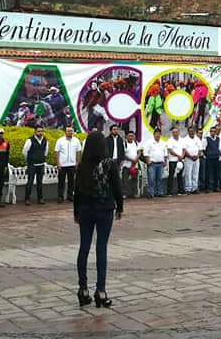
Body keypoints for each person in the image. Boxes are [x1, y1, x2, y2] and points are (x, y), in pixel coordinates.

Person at [73, 130, 123, 309]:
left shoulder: (82, 165)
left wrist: (76, 212)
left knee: (84, 248)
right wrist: (120, 206)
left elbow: (77, 192)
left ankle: (83, 290)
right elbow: (117, 187)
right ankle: (101, 291)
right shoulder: (109, 164)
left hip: (85, 209)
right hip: (104, 209)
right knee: (101, 248)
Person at [23, 126, 49, 205]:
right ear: (35, 132)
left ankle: (40, 198)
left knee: (40, 182)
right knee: (30, 182)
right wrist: (30, 159)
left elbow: (46, 151)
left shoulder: (45, 140)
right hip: (32, 165)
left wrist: (42, 158)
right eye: (38, 131)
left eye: (41, 131)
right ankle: (27, 199)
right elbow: (24, 151)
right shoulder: (30, 140)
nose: (40, 133)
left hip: (41, 165)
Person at [55, 126, 82, 203]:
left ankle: (70, 196)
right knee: (61, 182)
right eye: (68, 131)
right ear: (65, 132)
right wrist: (58, 163)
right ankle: (60, 196)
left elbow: (79, 152)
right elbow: (57, 152)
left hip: (72, 165)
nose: (70, 132)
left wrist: (78, 163)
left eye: (71, 131)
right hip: (62, 165)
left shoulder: (76, 141)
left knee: (71, 182)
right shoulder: (60, 141)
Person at [143, 127, 167, 198]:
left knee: (159, 179)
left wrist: (165, 161)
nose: (158, 135)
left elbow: (165, 153)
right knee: (151, 179)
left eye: (159, 134)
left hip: (160, 163)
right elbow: (145, 153)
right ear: (153, 135)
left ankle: (159, 192)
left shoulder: (163, 143)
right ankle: (150, 193)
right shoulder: (149, 142)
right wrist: (148, 161)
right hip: (152, 164)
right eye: (156, 134)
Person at [122, 130, 144, 199]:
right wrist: (131, 160)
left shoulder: (136, 143)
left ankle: (134, 193)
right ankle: (124, 193)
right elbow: (123, 154)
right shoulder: (124, 144)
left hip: (135, 165)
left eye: (132, 136)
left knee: (135, 180)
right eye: (129, 136)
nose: (131, 137)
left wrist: (136, 159)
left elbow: (139, 152)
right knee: (124, 180)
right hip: (126, 165)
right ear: (126, 137)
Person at [165, 126, 185, 196]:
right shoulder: (170, 140)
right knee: (171, 176)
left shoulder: (182, 140)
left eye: (176, 132)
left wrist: (182, 156)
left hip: (181, 160)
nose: (175, 133)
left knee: (180, 176)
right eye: (173, 132)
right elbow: (170, 151)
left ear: (179, 132)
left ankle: (181, 191)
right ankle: (169, 192)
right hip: (172, 160)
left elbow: (184, 149)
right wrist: (178, 156)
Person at [181, 126, 202, 194]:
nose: (191, 132)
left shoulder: (197, 139)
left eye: (193, 131)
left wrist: (197, 156)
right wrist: (190, 156)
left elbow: (200, 149)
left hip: (196, 159)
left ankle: (194, 188)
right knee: (188, 174)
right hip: (188, 158)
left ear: (195, 132)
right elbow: (184, 150)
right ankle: (188, 188)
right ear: (188, 132)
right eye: (190, 131)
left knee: (195, 173)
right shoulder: (185, 139)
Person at [203, 125, 221, 192]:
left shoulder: (218, 139)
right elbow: (204, 149)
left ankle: (215, 187)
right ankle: (207, 187)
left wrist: (219, 152)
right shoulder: (207, 139)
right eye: (212, 131)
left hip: (216, 158)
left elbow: (219, 147)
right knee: (208, 173)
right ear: (210, 132)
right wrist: (207, 155)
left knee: (216, 173)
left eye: (214, 131)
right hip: (209, 159)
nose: (213, 133)